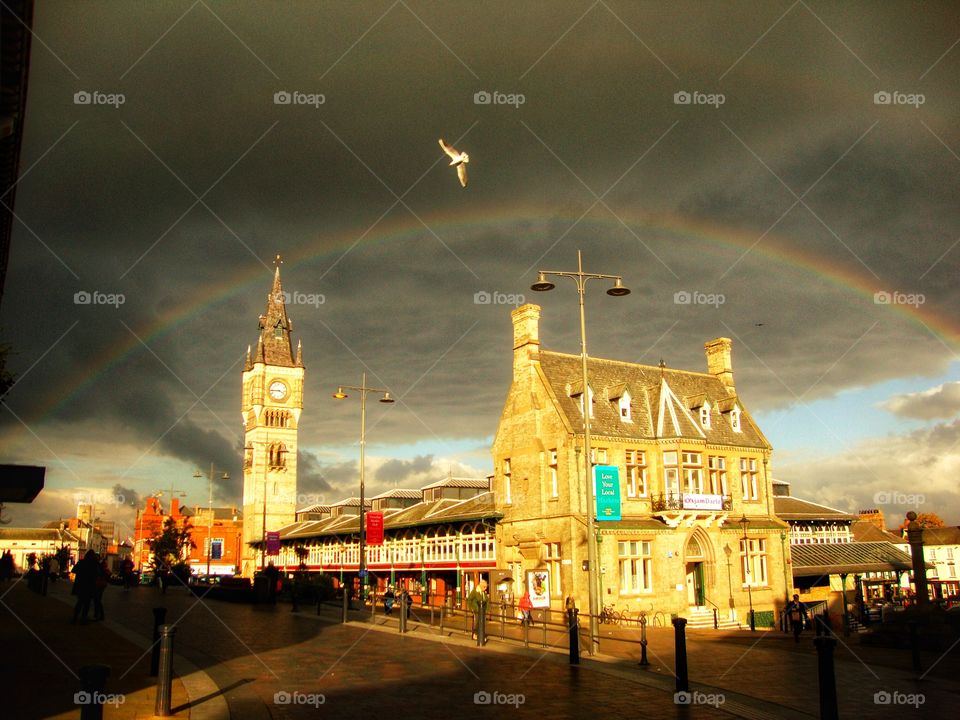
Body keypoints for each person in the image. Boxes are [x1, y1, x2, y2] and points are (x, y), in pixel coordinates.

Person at [70, 550, 99, 625]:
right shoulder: (94, 564)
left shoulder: (81, 562)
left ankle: (75, 618)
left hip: (80, 585)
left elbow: (74, 570)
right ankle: (83, 618)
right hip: (89, 586)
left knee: (79, 602)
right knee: (87, 604)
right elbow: (98, 574)